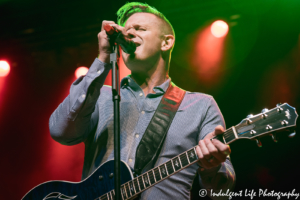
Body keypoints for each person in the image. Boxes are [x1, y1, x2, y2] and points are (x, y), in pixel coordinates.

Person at [49, 2, 235, 199]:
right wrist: (103, 58)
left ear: (166, 42)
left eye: (140, 29)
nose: (129, 35)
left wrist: (212, 168)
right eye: (126, 31)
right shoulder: (101, 96)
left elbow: (221, 193)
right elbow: (60, 131)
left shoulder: (201, 106)